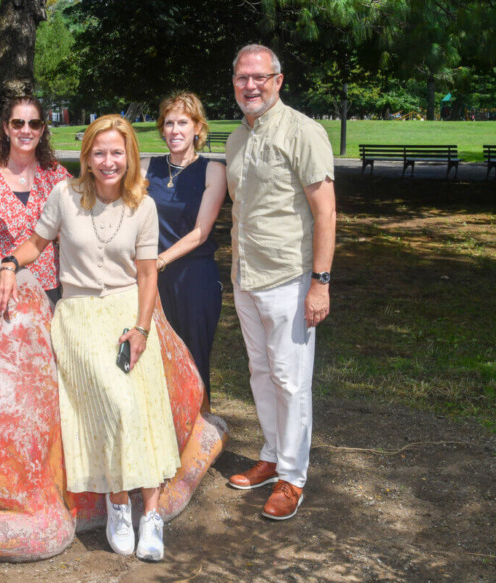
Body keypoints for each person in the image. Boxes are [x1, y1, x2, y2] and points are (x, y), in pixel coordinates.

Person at [0, 115, 180, 561]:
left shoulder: (144, 206)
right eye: (99, 153)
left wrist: (141, 328)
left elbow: (148, 274)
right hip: (77, 314)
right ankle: (118, 503)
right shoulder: (65, 195)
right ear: (87, 158)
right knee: (115, 403)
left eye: (117, 152)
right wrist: (7, 264)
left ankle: (150, 515)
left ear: (130, 155)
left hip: (126, 312)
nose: (108, 161)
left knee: (143, 405)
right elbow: (35, 244)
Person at [224, 44, 336, 520]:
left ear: (278, 80)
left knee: (292, 380)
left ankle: (292, 476)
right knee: (261, 372)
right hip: (246, 276)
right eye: (241, 78)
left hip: (289, 278)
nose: (250, 85)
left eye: (259, 77)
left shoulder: (304, 132)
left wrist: (320, 282)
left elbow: (325, 212)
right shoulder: (235, 140)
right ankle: (270, 456)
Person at [141, 91, 226, 406]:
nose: (175, 130)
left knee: (193, 356)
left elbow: (200, 232)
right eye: (169, 123)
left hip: (194, 278)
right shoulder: (145, 167)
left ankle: (201, 437)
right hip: (150, 279)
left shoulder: (213, 171)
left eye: (183, 123)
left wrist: (159, 261)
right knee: (154, 357)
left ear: (198, 129)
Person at [0, 96, 71, 303]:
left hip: (45, 279)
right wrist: (1, 259)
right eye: (18, 123)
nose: (26, 130)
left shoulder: (57, 176)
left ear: (41, 130)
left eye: (34, 123)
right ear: (6, 128)